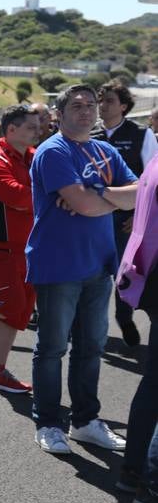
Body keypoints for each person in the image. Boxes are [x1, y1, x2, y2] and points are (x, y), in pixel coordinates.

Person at [26, 84, 137, 455]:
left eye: (91, 104)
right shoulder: (52, 151)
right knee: (52, 348)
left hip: (98, 264)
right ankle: (47, 423)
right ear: (59, 114)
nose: (87, 110)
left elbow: (139, 191)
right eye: (76, 105)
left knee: (91, 348)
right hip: (59, 265)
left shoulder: (103, 150)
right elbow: (86, 205)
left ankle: (85, 421)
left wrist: (95, 194)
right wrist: (104, 197)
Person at [0, 104, 39, 394]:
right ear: (11, 129)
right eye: (30, 126)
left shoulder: (34, 157)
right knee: (11, 307)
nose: (37, 131)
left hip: (28, 248)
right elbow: (18, 197)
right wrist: (56, 198)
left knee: (20, 312)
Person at [92, 79, 156, 347]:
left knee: (122, 274)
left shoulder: (142, 134)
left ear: (124, 106)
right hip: (91, 219)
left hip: (124, 221)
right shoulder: (89, 136)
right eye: (101, 100)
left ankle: (124, 316)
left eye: (109, 101)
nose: (102, 106)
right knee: (90, 276)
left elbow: (150, 180)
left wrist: (139, 216)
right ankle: (88, 328)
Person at [114, 142, 158, 503]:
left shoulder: (156, 161)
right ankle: (153, 483)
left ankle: (133, 471)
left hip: (149, 277)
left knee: (154, 381)